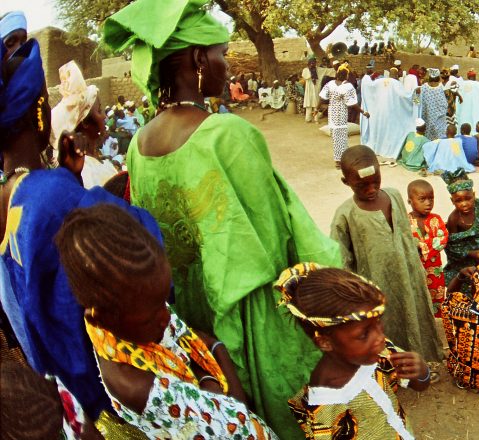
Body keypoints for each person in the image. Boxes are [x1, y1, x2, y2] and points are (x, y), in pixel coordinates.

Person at [102, 1, 342, 437]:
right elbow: (280, 232)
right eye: (221, 54)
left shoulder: (139, 143)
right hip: (249, 313)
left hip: (188, 316)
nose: (227, 67)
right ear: (197, 59)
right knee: (280, 408)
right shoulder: (227, 134)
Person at [0, 20, 166, 431]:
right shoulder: (51, 194)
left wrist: (70, 181)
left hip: (63, 392)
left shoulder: (12, 196)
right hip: (103, 391)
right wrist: (78, 188)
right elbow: (138, 249)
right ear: (40, 111)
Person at [56, 204, 276, 439]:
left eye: (164, 302)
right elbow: (237, 416)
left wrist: (208, 380)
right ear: (102, 318)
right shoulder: (137, 388)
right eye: (152, 316)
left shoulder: (134, 314)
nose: (167, 317)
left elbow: (189, 338)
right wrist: (217, 355)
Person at [278, 264, 430, 440]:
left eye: (378, 322)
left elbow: (419, 384)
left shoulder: (380, 353)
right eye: (364, 334)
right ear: (325, 342)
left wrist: (421, 371)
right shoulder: (327, 401)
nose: (379, 337)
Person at [330, 146, 443, 362]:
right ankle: (391, 370)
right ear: (346, 182)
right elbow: (341, 260)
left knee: (416, 314)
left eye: (376, 182)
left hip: (409, 274)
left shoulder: (394, 196)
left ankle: (423, 359)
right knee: (386, 326)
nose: (371, 189)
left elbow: (404, 234)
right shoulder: (346, 215)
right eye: (362, 186)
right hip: (377, 285)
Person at [50, 61, 118, 189]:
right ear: (85, 123)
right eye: (99, 111)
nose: (104, 116)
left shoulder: (92, 163)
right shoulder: (86, 173)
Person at [407, 179, 448, 317]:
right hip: (413, 270)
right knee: (415, 298)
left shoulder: (436, 219)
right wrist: (414, 245)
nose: (428, 203)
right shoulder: (404, 221)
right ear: (410, 201)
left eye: (431, 198)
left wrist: (420, 246)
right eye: (422, 199)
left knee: (436, 299)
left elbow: (442, 239)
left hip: (434, 271)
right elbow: (403, 242)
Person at [320, 66, 369, 168]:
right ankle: (339, 162)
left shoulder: (330, 84)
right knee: (341, 138)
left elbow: (322, 97)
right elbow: (352, 104)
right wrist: (363, 112)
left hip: (332, 115)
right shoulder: (347, 86)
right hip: (340, 115)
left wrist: (316, 109)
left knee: (336, 138)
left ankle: (343, 158)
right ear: (346, 75)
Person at [417, 68, 447, 141]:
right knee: (439, 138)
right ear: (438, 77)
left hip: (426, 118)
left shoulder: (423, 87)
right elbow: (446, 104)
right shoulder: (442, 88)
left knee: (427, 137)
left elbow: (416, 100)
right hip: (439, 120)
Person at [302, 57, 331, 123]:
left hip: (316, 88)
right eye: (311, 63)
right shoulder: (305, 70)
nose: (313, 64)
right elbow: (306, 76)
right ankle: (308, 119)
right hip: (309, 89)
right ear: (309, 63)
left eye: (314, 62)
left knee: (316, 104)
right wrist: (311, 71)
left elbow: (327, 71)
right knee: (308, 104)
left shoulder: (318, 69)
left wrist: (336, 69)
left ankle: (316, 119)